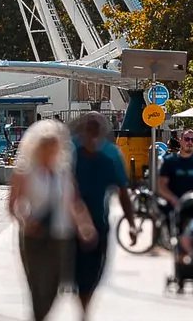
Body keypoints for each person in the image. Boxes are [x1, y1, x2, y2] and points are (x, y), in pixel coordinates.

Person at [8, 119, 94, 321]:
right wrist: (25, 220)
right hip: (34, 235)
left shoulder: (64, 173)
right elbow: (13, 205)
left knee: (57, 285)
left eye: (54, 147)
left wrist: (84, 225)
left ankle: (40, 316)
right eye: (46, 147)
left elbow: (74, 202)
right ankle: (38, 317)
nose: (51, 151)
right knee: (38, 285)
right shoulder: (24, 172)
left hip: (61, 234)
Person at [70, 113, 133, 319]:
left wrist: (131, 224)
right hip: (70, 223)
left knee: (96, 268)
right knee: (77, 270)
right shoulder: (70, 152)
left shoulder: (111, 155)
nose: (92, 130)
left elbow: (123, 191)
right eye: (89, 126)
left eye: (96, 127)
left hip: (99, 222)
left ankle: (85, 306)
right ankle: (83, 308)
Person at [156, 128, 193, 224]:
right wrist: (173, 199)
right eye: (187, 139)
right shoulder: (170, 161)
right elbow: (161, 186)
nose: (190, 142)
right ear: (181, 140)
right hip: (174, 205)